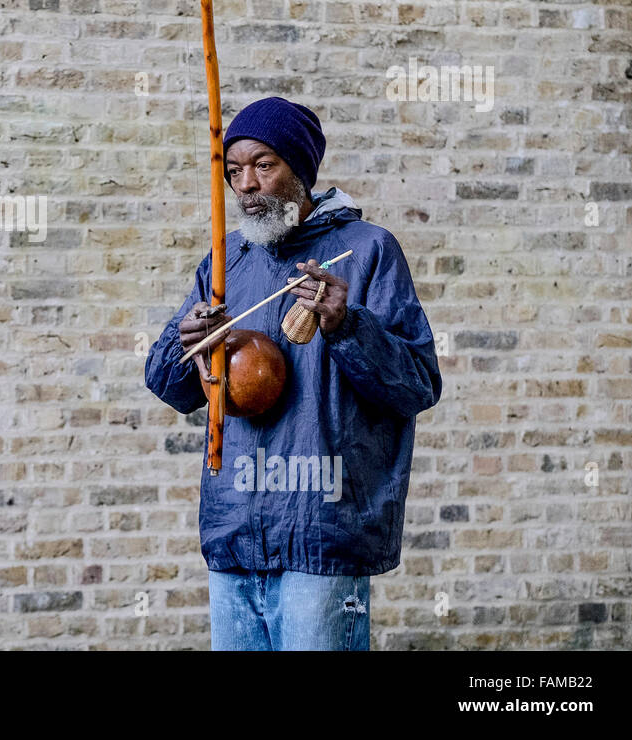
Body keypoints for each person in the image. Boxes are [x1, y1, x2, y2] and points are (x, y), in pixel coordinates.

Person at [145, 95, 442, 650]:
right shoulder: (224, 259)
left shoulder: (367, 251)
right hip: (234, 529)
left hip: (322, 532)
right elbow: (172, 388)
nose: (247, 184)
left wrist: (348, 326)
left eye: (264, 164)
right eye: (234, 171)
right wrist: (182, 342)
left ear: (301, 171)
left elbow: (418, 384)